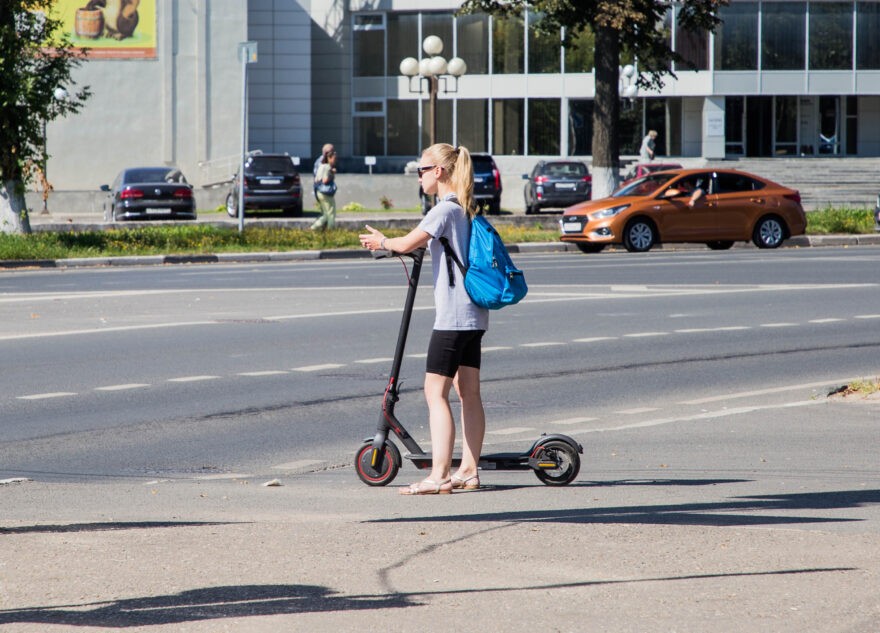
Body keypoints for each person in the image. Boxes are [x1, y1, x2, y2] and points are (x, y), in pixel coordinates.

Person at [359, 143, 488, 495]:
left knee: (436, 393)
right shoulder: (464, 208)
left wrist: (382, 240)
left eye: (421, 169)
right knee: (469, 392)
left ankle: (440, 476)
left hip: (453, 317)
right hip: (475, 314)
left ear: (439, 172)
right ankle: (470, 471)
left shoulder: (443, 211)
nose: (419, 175)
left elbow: (406, 243)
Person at [311, 149, 337, 230]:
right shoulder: (327, 167)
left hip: (319, 192)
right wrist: (332, 173)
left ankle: (315, 227)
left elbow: (316, 179)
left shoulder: (321, 166)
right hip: (326, 193)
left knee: (325, 213)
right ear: (329, 158)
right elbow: (325, 180)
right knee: (331, 213)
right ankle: (330, 230)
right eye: (334, 158)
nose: (335, 161)